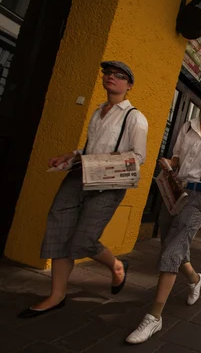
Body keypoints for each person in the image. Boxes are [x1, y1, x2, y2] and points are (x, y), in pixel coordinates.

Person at [18, 61, 148, 318]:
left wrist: (100, 161)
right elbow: (91, 148)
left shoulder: (134, 117)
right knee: (59, 231)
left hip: (108, 184)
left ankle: (118, 266)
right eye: (108, 73)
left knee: (84, 240)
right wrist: (71, 155)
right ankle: (57, 295)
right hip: (79, 176)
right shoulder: (98, 111)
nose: (111, 77)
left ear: (129, 85)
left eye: (119, 76)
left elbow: (138, 156)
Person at [126, 83, 201, 344]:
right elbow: (177, 157)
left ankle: (154, 317)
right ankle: (194, 277)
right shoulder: (188, 126)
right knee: (170, 242)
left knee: (172, 249)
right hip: (176, 190)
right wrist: (169, 162)